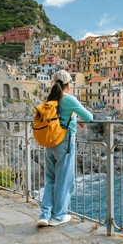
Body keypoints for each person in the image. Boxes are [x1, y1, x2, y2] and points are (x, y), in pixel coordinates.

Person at [37, 70, 93, 227]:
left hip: (49, 142)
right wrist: (80, 120)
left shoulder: (51, 99)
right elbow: (90, 117)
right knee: (64, 181)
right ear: (69, 84)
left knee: (51, 179)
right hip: (65, 143)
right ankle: (59, 216)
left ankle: (44, 215)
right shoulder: (69, 99)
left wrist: (74, 118)